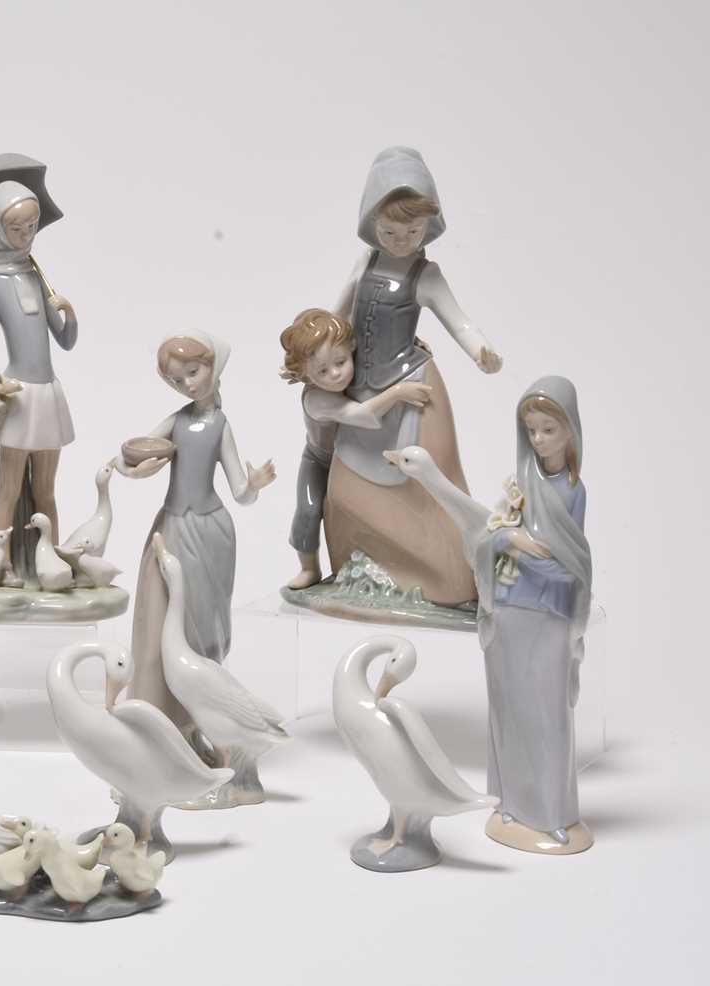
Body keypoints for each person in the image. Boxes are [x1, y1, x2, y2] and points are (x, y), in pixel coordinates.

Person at [323, 146, 503, 604]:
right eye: (389, 231)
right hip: (357, 388)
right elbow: (337, 314)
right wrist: (316, 346)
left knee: (427, 482)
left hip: (412, 390)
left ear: (428, 227)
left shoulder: (426, 275)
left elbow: (458, 321)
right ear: (371, 223)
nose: (401, 240)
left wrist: (480, 351)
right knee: (346, 480)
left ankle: (447, 578)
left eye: (412, 231)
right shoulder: (364, 264)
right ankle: (358, 568)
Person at [116, 330, 274, 729]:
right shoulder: (177, 421)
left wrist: (254, 484)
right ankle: (157, 719)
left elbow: (241, 492)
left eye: (192, 372)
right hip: (171, 529)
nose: (186, 385)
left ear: (212, 366)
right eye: (176, 380)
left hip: (209, 532)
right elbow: (129, 453)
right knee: (158, 622)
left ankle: (199, 722)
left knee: (200, 628)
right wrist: (132, 469)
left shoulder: (220, 426)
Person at [474, 377, 593, 853]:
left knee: (549, 716)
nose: (539, 439)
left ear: (570, 430)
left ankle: (552, 814)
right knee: (508, 707)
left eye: (548, 429)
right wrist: (513, 541)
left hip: (550, 614)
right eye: (532, 430)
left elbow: (571, 566)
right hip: (509, 607)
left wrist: (529, 555)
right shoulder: (522, 484)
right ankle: (510, 804)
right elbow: (491, 538)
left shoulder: (573, 490)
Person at [0, 180, 78, 584]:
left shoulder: (36, 274)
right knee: (10, 487)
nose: (26, 234)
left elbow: (65, 340)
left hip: (48, 394)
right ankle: (4, 564)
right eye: (16, 228)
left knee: (46, 489)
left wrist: (69, 313)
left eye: (32, 226)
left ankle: (51, 561)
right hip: (19, 396)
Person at [277, 308, 431, 589]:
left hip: (351, 458)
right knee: (309, 510)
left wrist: (412, 347)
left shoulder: (356, 367)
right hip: (321, 460)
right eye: (322, 371)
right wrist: (398, 392)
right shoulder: (317, 399)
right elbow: (362, 415)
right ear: (307, 375)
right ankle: (309, 567)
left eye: (341, 361)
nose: (336, 374)